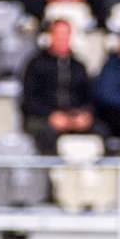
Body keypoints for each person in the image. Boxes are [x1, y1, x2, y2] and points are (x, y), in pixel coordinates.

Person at [20, 18, 95, 155]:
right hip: (42, 117)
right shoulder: (36, 64)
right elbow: (29, 100)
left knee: (99, 130)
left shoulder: (79, 66)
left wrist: (84, 114)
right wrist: (50, 115)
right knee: (47, 133)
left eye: (66, 34)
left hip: (73, 117)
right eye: (59, 34)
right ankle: (51, 173)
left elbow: (88, 97)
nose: (62, 39)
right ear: (50, 36)